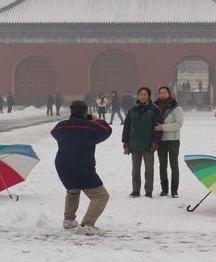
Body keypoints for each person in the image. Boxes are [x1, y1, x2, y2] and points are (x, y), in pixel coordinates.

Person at [51, 101, 112, 236]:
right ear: (85, 111)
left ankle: (69, 220)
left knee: (72, 190)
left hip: (62, 164)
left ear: (71, 110)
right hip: (81, 164)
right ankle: (87, 224)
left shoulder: (61, 126)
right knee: (101, 196)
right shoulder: (90, 127)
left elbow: (53, 132)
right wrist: (96, 120)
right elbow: (107, 130)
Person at [122, 87, 163, 198]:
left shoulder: (154, 110)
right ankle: (135, 190)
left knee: (149, 170)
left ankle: (148, 191)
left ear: (149, 96)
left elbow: (158, 127)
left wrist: (155, 142)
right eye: (141, 94)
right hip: (134, 143)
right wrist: (125, 141)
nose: (143, 96)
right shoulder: (132, 110)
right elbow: (126, 126)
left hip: (148, 144)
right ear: (138, 95)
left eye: (145, 94)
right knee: (135, 169)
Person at [154, 86, 183, 198]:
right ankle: (164, 189)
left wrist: (163, 127)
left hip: (173, 140)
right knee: (162, 165)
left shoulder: (176, 108)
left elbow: (178, 124)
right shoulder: (155, 107)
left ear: (169, 93)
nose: (162, 94)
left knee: (174, 165)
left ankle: (174, 190)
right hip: (160, 140)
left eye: (164, 92)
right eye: (160, 93)